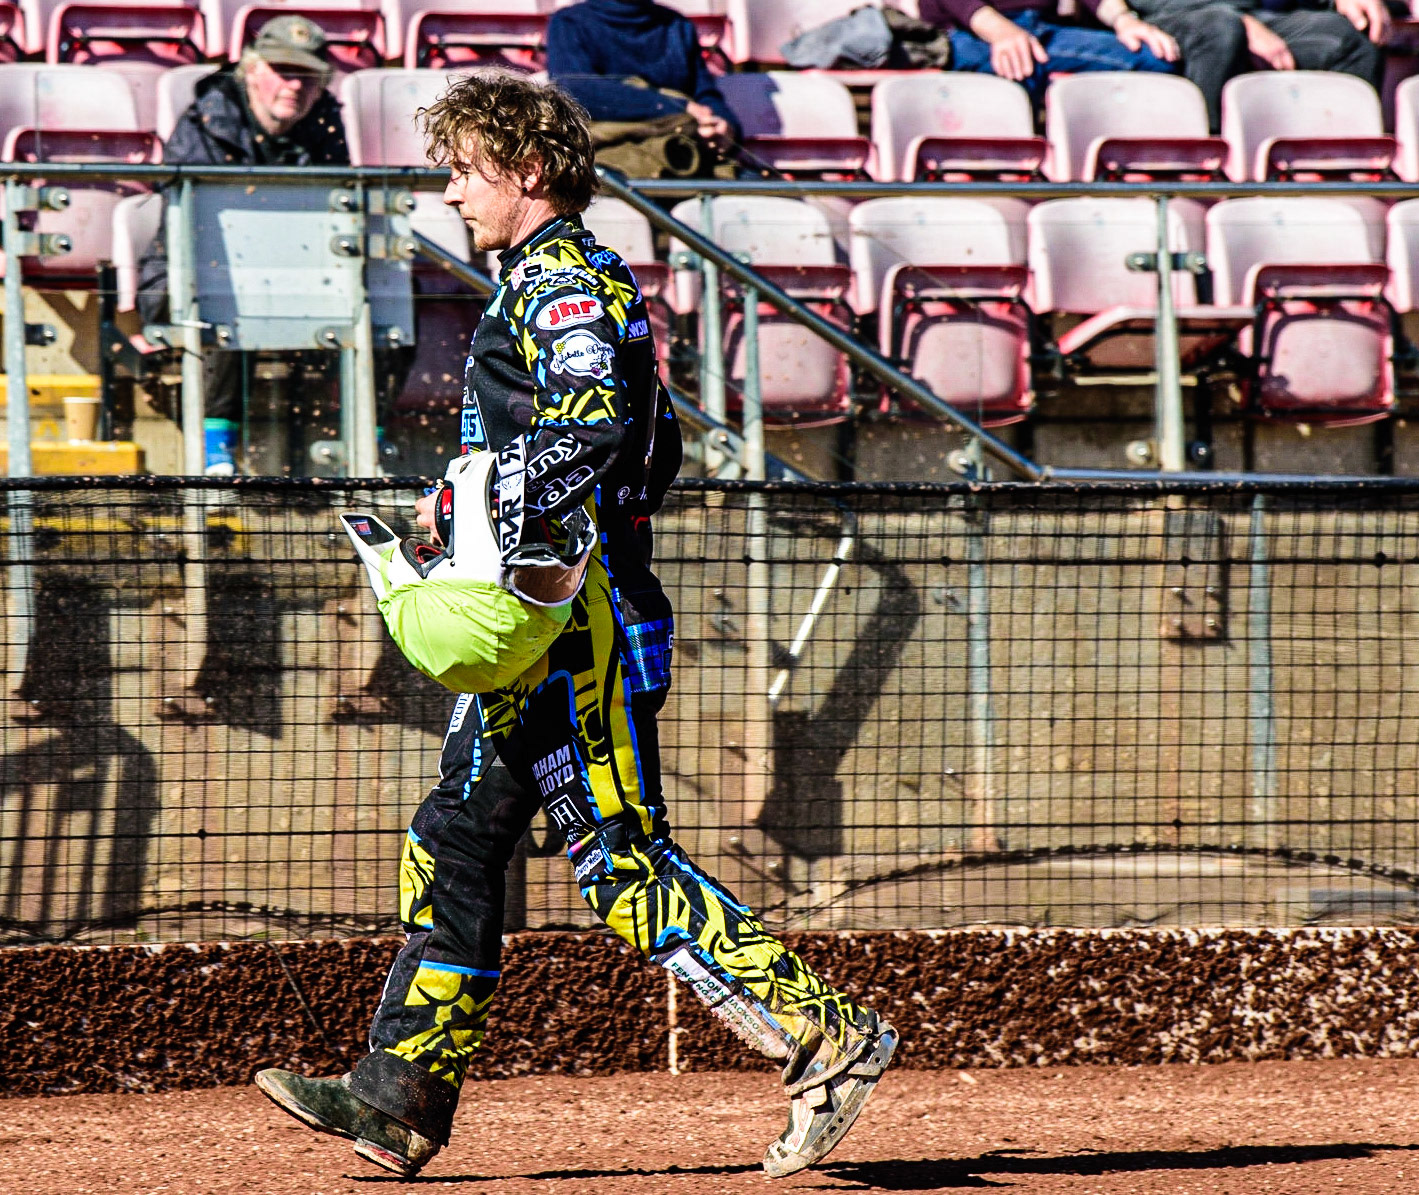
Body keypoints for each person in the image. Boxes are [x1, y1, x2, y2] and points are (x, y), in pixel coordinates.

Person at [252, 73, 898, 1181]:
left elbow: (590, 428)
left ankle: (824, 1036)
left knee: (617, 863)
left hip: (578, 620)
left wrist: (469, 499)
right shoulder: (546, 278)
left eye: (465, 167)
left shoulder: (559, 277)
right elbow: (586, 439)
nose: (449, 189)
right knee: (453, 835)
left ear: (527, 171)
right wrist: (472, 495)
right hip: (540, 615)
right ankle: (394, 1095)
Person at [134, 14, 348, 472]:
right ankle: (217, 447)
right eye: (283, 72)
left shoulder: (325, 121)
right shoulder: (207, 118)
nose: (295, 85)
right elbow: (192, 226)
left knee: (387, 299)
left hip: (299, 270)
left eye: (307, 76)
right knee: (227, 289)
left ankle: (367, 441)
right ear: (251, 70)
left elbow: (338, 206)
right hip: (192, 274)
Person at [1123, 0, 1386, 130]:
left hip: (1255, 15)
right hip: (1168, 17)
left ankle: (1331, 169)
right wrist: (1240, 22)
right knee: (1222, 30)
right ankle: (1205, 169)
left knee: (1346, 40)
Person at [547, 0, 741, 161]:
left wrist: (724, 124)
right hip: (611, 167)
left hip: (684, 156)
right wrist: (674, 107)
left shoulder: (677, 25)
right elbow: (574, 89)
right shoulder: (569, 23)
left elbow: (705, 93)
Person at [920, 0, 1184, 103]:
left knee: (1155, 58)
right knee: (1016, 74)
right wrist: (1000, 32)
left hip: (1044, 29)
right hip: (962, 33)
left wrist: (1124, 19)